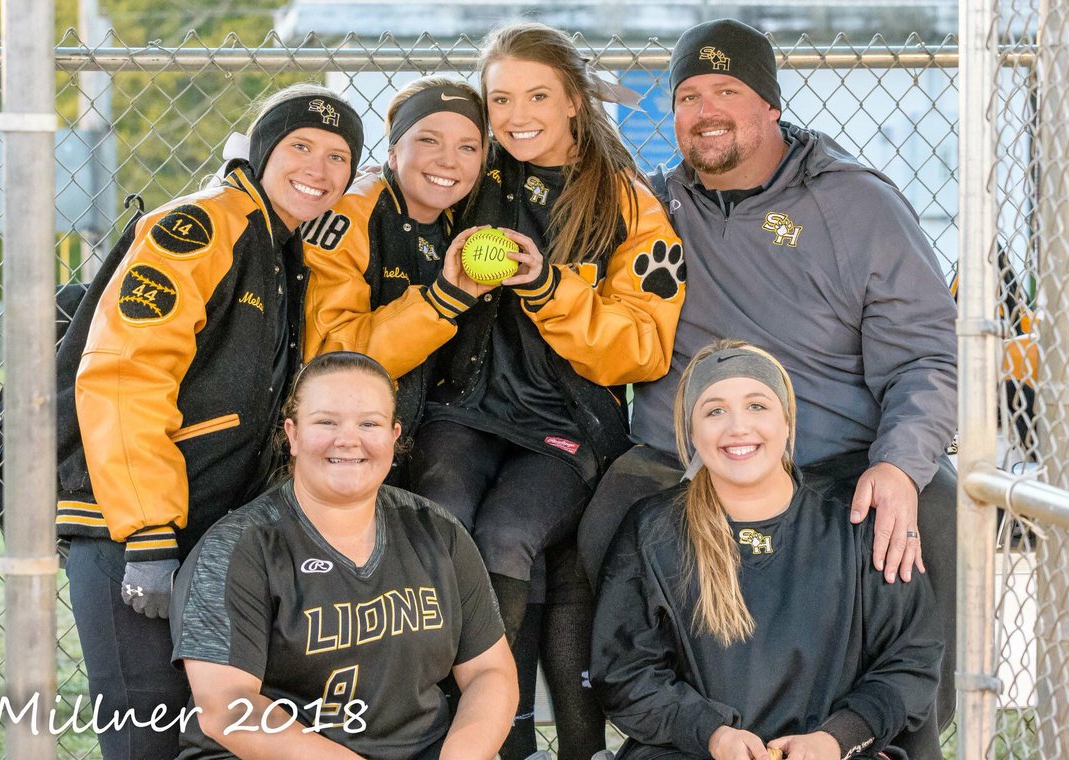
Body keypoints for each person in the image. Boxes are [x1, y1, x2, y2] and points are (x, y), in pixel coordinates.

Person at [576, 20, 958, 757]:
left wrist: (899, 462)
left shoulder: (855, 206)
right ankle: (648, 730)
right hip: (686, 454)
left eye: (728, 89)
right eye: (688, 94)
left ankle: (891, 737)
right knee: (605, 519)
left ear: (772, 107)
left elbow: (925, 357)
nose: (706, 109)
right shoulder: (652, 210)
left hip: (833, 454)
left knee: (927, 508)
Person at [55, 85, 364, 759]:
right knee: (148, 743)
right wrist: (147, 534)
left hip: (206, 528)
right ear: (259, 153)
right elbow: (124, 374)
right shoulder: (201, 226)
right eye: (299, 147)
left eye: (338, 156)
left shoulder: (284, 249)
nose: (318, 168)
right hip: (131, 529)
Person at [408, 22, 685, 760]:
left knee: (508, 534)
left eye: (538, 95)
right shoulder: (471, 172)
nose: (517, 114)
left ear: (573, 103)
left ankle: (499, 737)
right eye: (500, 98)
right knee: (442, 517)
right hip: (463, 407)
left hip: (566, 421)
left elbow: (642, 348)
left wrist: (546, 284)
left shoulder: (626, 203)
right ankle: (458, 732)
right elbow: (407, 184)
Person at [591, 340, 944, 760]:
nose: (738, 427)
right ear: (691, 431)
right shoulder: (654, 531)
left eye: (757, 405)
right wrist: (712, 734)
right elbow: (625, 674)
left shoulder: (854, 524)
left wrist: (837, 739)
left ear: (788, 422)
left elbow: (911, 660)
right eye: (714, 410)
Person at [170, 351, 517, 760]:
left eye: (369, 423)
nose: (348, 439)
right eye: (326, 422)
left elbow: (489, 673)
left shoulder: (436, 531)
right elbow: (227, 708)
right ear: (292, 435)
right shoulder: (241, 547)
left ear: (394, 435)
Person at [302, 76, 490, 484]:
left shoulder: (462, 219)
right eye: (428, 140)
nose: (448, 160)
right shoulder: (351, 215)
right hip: (340, 446)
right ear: (392, 150)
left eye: (467, 147)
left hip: (425, 431)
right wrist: (440, 302)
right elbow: (329, 356)